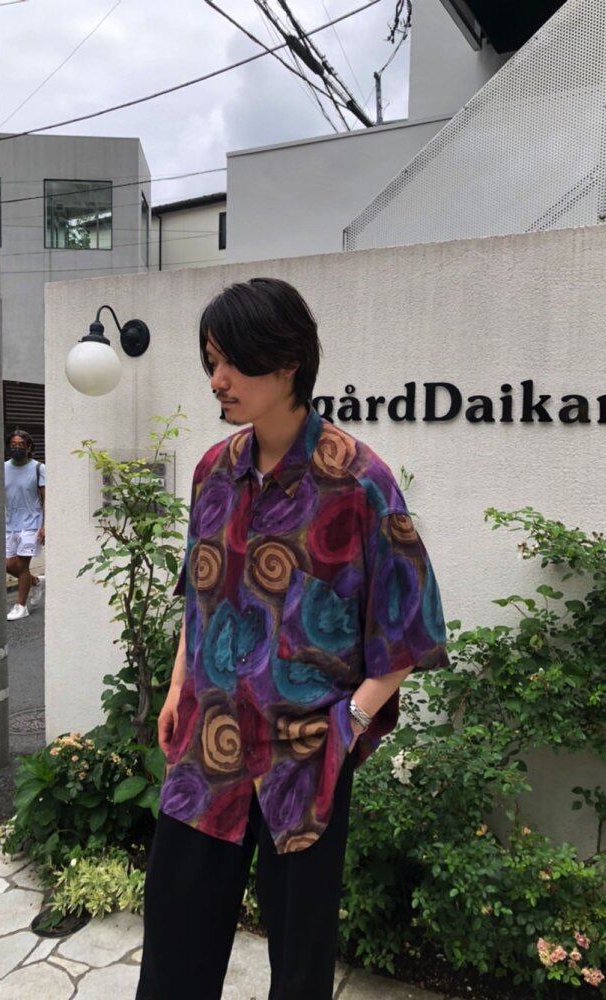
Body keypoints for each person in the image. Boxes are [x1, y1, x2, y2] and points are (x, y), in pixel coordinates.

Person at [136, 278, 449, 1000]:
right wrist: (180, 682)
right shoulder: (213, 471)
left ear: (286, 364)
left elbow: (409, 627)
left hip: (305, 757)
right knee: (175, 946)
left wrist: (349, 725)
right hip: (207, 746)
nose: (216, 380)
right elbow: (202, 591)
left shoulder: (358, 481)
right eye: (211, 361)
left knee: (300, 967)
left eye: (232, 362)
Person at [4, 429, 46, 621]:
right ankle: (35, 582)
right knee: (7, 565)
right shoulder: (3, 468)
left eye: (21, 445)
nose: (17, 448)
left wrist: (45, 525)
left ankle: (21, 606)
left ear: (29, 447)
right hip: (9, 523)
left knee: (21, 565)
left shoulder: (38, 468)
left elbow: (46, 498)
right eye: (13, 445)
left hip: (31, 523)